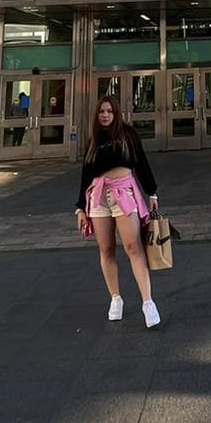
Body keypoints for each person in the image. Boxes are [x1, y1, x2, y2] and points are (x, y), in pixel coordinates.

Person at [74, 96, 162, 329]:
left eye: (109, 111)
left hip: (124, 192)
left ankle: (148, 302)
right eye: (101, 111)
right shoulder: (93, 140)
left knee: (133, 246)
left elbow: (141, 163)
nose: (105, 115)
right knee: (106, 249)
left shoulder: (128, 135)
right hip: (98, 196)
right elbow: (86, 174)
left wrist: (152, 192)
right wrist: (80, 207)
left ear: (116, 113)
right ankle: (116, 298)